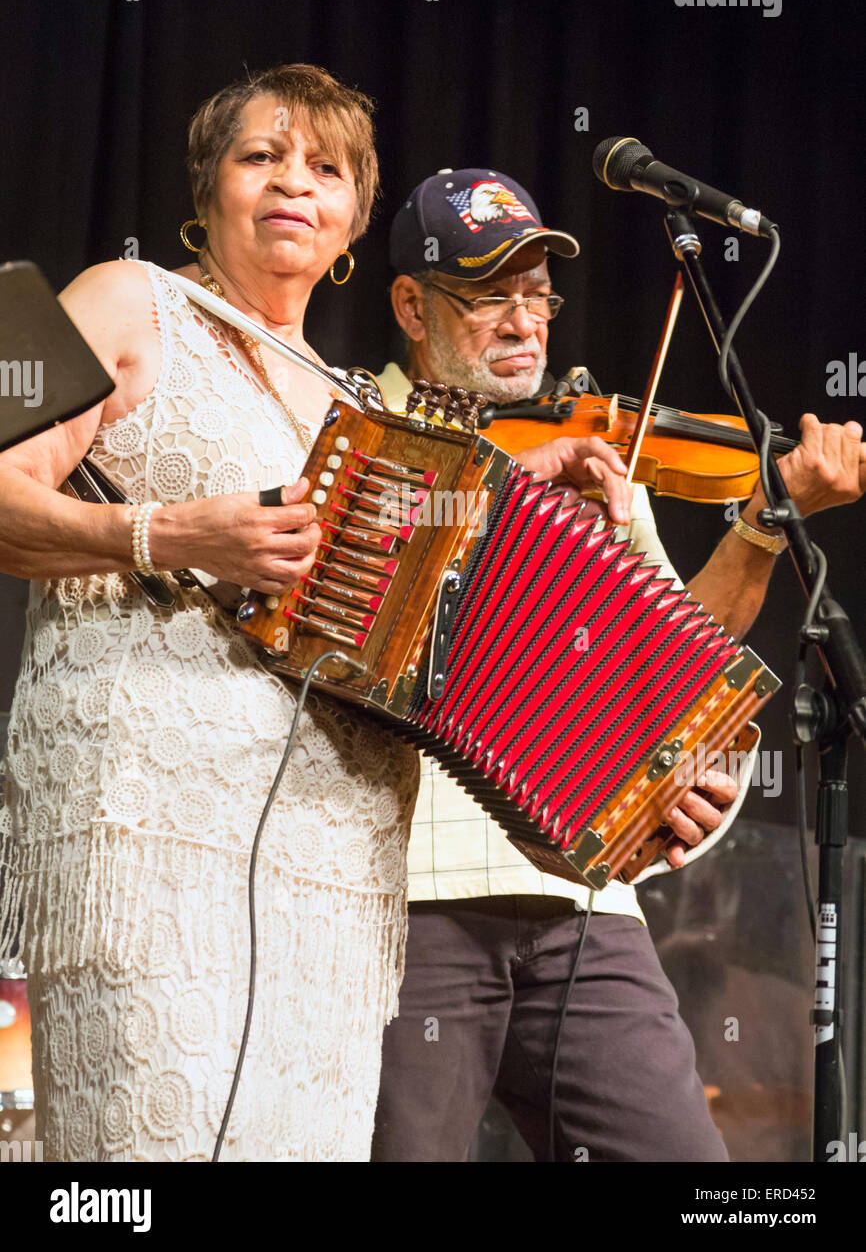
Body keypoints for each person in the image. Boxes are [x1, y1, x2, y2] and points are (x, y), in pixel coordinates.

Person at [370, 167, 866, 1162]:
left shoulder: (591, 461)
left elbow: (673, 667)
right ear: (411, 306)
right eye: (488, 294)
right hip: (410, 901)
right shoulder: (357, 436)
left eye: (536, 294)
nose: (523, 321)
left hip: (586, 908)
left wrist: (765, 523)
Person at [0, 63, 426, 1162]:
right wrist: (162, 532)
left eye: (325, 169)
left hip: (329, 878)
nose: (294, 182)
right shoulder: (125, 298)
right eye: (261, 156)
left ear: (349, 231)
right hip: (145, 836)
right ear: (207, 193)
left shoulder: (362, 412)